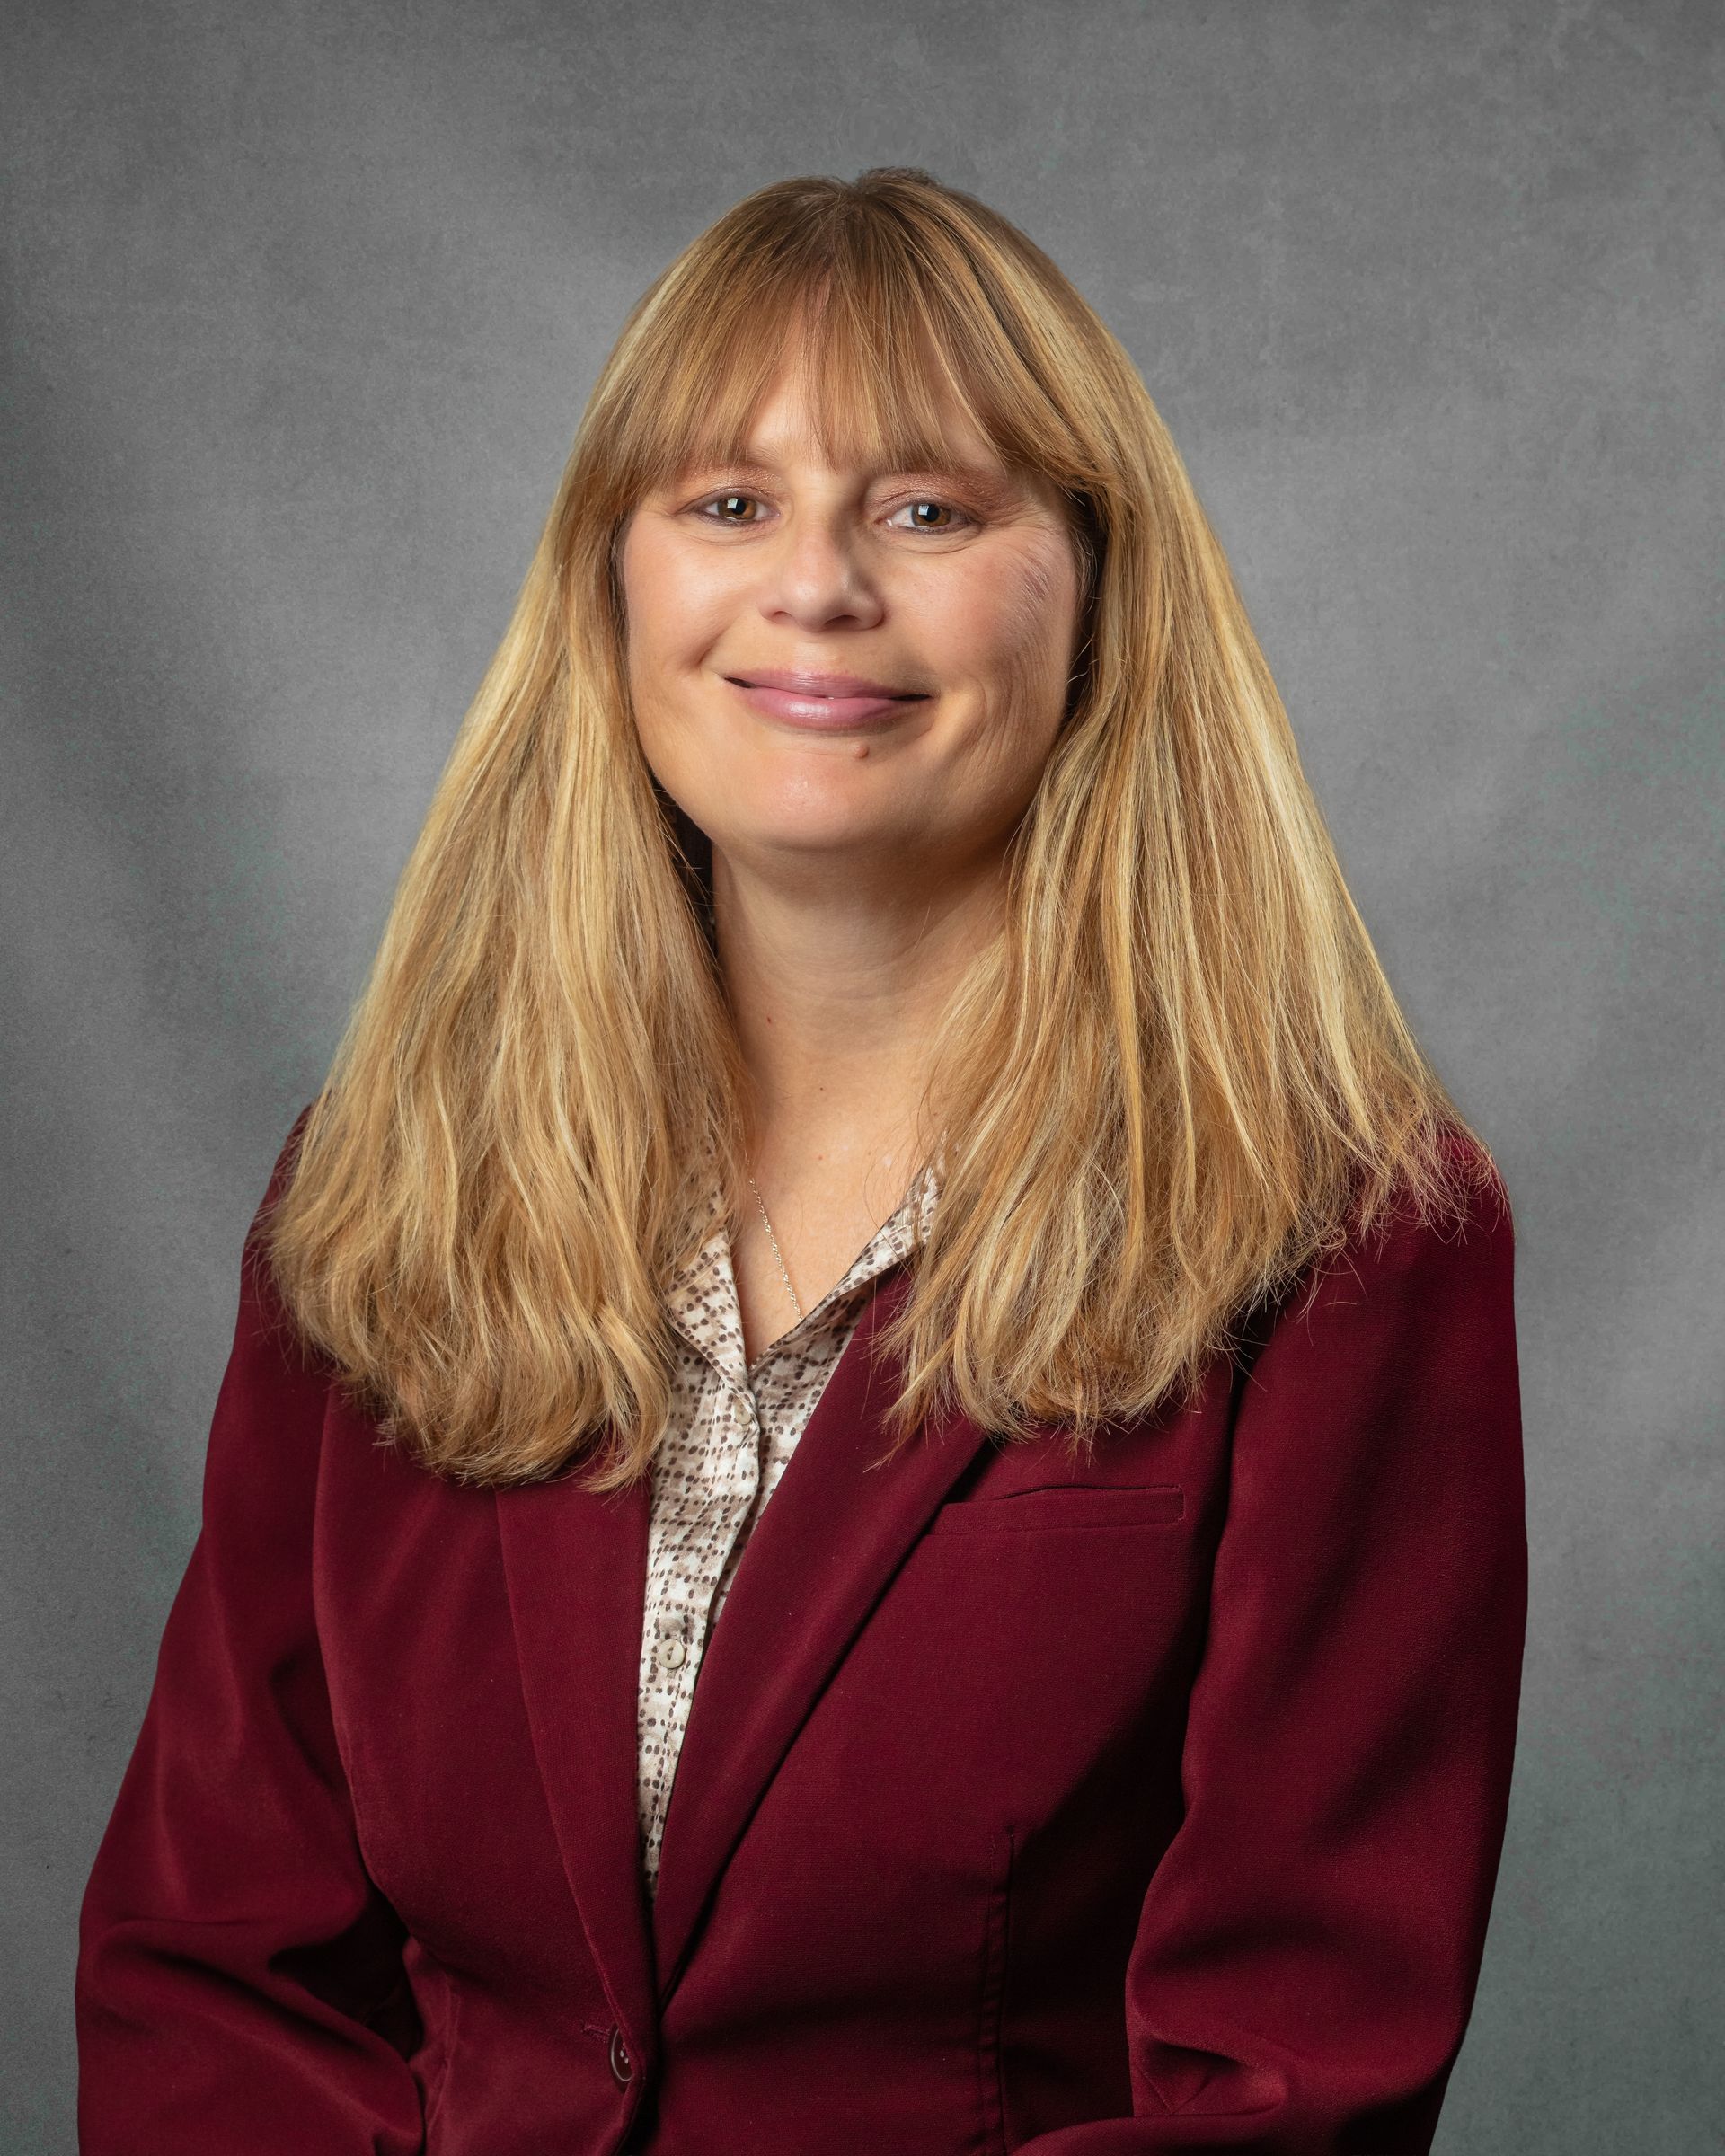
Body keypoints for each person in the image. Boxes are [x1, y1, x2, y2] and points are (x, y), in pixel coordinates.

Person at [75, 168, 1526, 2154]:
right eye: (729, 503)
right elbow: (213, 1969)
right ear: (614, 584)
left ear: (1098, 594)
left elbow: (1288, 2089)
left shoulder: (1338, 1241)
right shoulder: (387, 1192)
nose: (820, 587)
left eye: (928, 510)